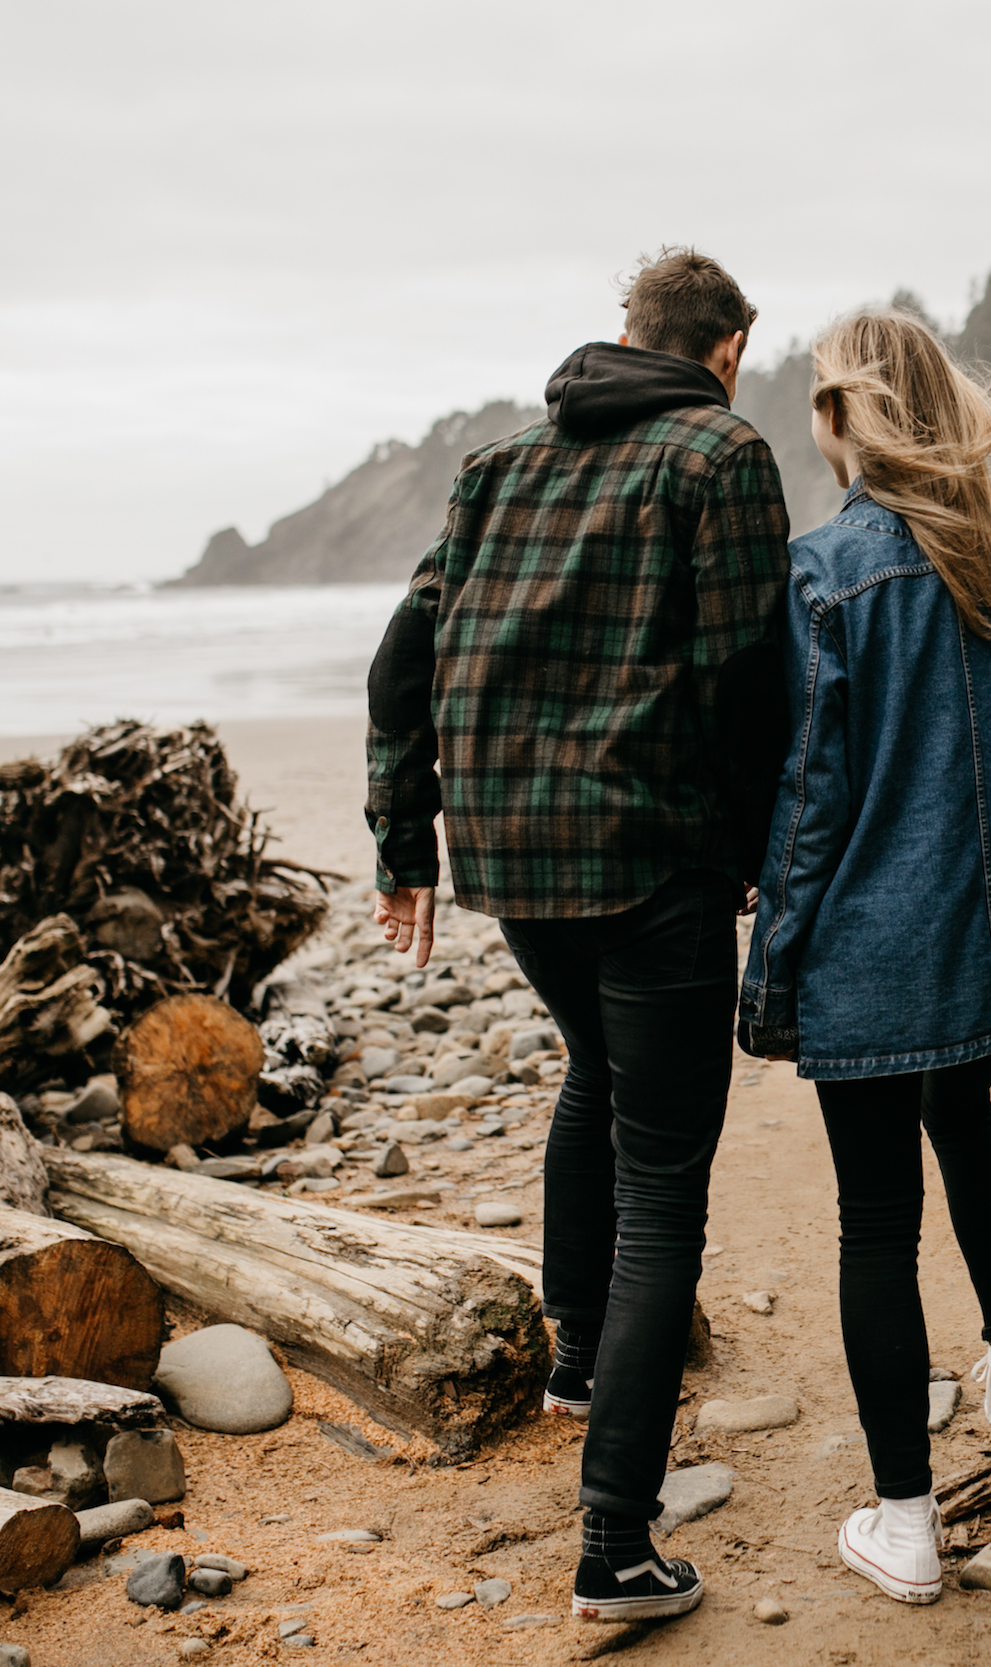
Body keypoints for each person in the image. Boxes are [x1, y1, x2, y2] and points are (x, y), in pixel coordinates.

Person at [364, 247, 793, 1625]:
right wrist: (756, 853)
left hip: (511, 862)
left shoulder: (498, 467)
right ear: (731, 344)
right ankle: (615, 1544)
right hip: (649, 860)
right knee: (665, 1181)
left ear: (626, 333)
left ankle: (572, 1356)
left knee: (593, 1079)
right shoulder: (720, 456)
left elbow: (400, 659)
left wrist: (402, 846)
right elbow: (745, 676)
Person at [737, 308, 991, 1606]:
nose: (811, 420)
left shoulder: (828, 570)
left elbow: (808, 797)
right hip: (990, 936)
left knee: (872, 1219)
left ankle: (905, 1529)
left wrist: (775, 964)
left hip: (874, 937)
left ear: (848, 412)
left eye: (816, 398)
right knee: (963, 1115)